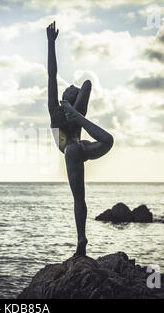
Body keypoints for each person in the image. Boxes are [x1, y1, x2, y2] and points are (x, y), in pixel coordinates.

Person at [46, 21, 114, 257]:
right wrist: (51, 43)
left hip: (78, 147)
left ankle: (81, 240)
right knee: (79, 197)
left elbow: (86, 84)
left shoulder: (70, 112)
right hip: (72, 150)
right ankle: (81, 240)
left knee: (109, 140)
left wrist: (76, 113)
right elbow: (51, 74)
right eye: (69, 89)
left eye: (70, 90)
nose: (72, 87)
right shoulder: (55, 109)